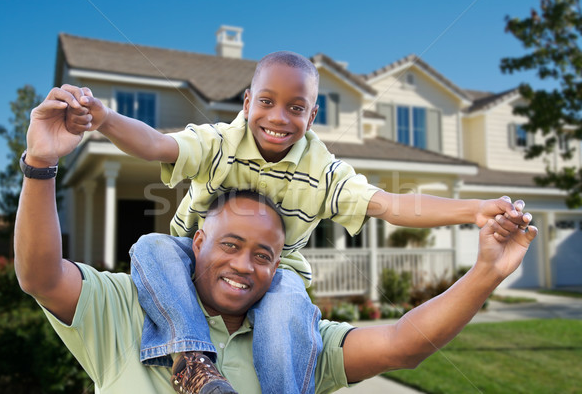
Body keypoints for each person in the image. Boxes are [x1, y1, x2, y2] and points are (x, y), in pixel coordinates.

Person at [62, 51, 530, 394]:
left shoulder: (323, 170)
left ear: (313, 113)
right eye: (266, 101)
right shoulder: (220, 141)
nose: (278, 118)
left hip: (277, 268)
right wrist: (105, 119)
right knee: (151, 246)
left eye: (296, 107)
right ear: (247, 102)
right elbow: (157, 146)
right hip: (193, 254)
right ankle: (192, 361)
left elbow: (390, 205)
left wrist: (472, 210)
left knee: (288, 305)